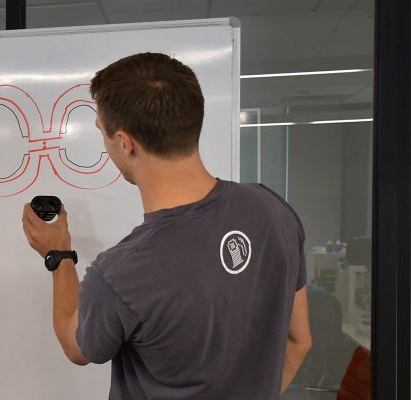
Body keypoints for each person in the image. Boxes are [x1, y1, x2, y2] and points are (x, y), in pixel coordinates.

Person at [21, 52, 312, 399]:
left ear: (126, 143)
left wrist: (58, 255)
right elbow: (299, 341)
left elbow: (75, 344)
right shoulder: (272, 211)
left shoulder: (122, 274)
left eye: (102, 132)